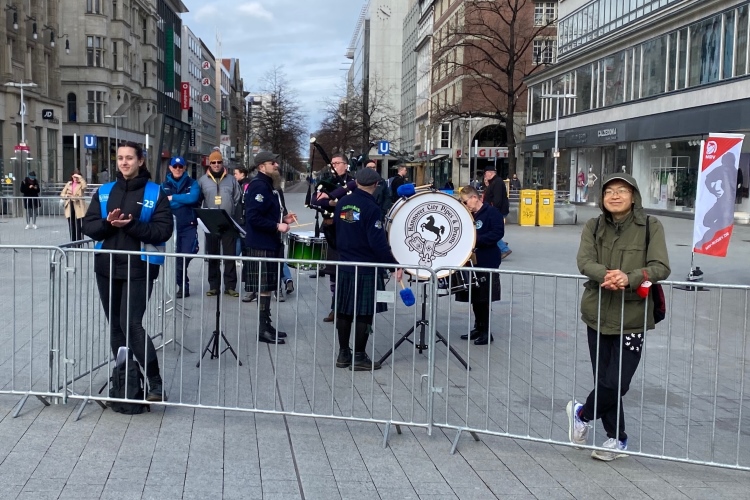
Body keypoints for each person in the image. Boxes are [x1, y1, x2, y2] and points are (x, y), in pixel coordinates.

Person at [568, 173, 670, 461]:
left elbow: (660, 266)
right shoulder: (593, 226)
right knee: (603, 378)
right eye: (609, 191)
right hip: (597, 313)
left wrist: (630, 277)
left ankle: (581, 414)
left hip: (633, 316)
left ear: (633, 196)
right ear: (602, 198)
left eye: (622, 191)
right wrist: (608, 275)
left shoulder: (650, 226)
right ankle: (617, 439)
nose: (615, 196)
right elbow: (584, 261)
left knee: (617, 382)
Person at [81, 141, 173, 402]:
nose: (124, 162)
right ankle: (126, 380)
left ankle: (155, 383)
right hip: (106, 267)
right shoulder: (105, 191)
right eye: (120, 158)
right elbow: (89, 226)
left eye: (129, 158)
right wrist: (109, 224)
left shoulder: (155, 192)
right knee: (116, 328)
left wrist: (130, 224)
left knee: (131, 325)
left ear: (140, 161)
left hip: (139, 268)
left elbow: (163, 231)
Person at [334, 168, 402, 370]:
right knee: (364, 312)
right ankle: (359, 357)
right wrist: (393, 265)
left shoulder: (342, 203)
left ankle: (343, 354)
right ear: (375, 185)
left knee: (344, 310)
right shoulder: (371, 208)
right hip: (365, 266)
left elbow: (335, 230)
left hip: (345, 263)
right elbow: (377, 243)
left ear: (356, 183)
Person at [244, 151, 297, 344]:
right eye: (272, 163)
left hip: (269, 243)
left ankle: (266, 325)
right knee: (263, 288)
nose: (276, 165)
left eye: (276, 162)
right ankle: (262, 330)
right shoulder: (259, 186)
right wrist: (276, 226)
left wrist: (283, 219)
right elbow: (253, 217)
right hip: (260, 243)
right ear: (261, 167)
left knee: (267, 287)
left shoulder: (268, 185)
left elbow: (265, 213)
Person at [310, 153, 355, 322]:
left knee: (348, 272)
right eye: (332, 163)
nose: (334, 166)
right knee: (333, 272)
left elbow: (353, 205)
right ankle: (335, 308)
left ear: (346, 164)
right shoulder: (326, 182)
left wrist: (334, 201)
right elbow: (315, 201)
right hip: (331, 231)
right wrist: (332, 202)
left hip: (349, 230)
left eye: (337, 163)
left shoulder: (353, 181)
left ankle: (348, 307)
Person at [456, 186, 504, 345]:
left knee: (484, 297)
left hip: (486, 259)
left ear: (474, 198)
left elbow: (498, 233)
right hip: (471, 261)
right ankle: (478, 326)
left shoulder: (492, 213)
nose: (464, 204)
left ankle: (486, 331)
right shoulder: (468, 214)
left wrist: (476, 240)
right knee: (475, 297)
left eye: (465, 201)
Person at [197, 150, 241, 297]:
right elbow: (198, 200)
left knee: (230, 256)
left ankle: (230, 286)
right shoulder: (202, 181)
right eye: (213, 162)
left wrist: (235, 218)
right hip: (211, 223)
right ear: (209, 164)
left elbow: (237, 199)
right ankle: (214, 286)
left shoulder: (231, 180)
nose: (216, 165)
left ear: (223, 163)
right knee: (213, 255)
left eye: (219, 162)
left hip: (228, 222)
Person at [162, 156, 201, 298]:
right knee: (176, 259)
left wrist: (173, 197)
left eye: (180, 166)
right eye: (175, 166)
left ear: (184, 168)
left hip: (188, 226)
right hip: (171, 228)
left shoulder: (192, 183)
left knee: (186, 255)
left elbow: (193, 198)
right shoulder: (164, 185)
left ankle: (182, 283)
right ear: (170, 168)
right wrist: (184, 199)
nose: (177, 169)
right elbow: (164, 203)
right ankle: (183, 286)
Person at [483, 165, 512, 260]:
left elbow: (497, 199)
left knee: (491, 230)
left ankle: (503, 248)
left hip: (498, 210)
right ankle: (502, 244)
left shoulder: (497, 182)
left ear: (490, 173)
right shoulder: (494, 182)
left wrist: (493, 211)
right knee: (493, 229)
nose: (485, 176)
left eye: (485, 174)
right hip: (497, 210)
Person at [61, 170, 88, 242]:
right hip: (70, 204)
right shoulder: (69, 184)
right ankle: (72, 242)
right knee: (71, 225)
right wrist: (67, 196)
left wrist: (80, 178)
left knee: (79, 225)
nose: (75, 178)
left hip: (78, 205)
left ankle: (79, 242)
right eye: (74, 177)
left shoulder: (81, 184)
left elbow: (85, 187)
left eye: (77, 177)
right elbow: (62, 194)